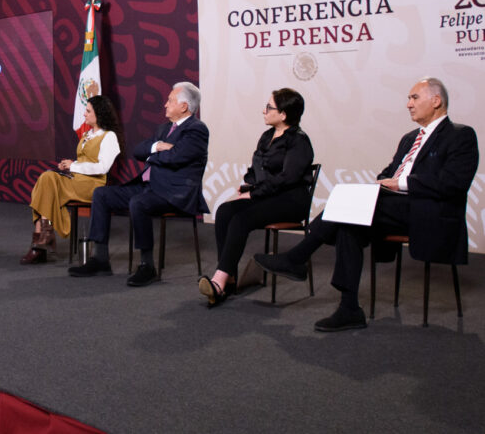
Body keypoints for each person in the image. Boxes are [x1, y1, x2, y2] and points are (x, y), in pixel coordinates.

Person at [255, 77, 479, 331]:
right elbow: (390, 171)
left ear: (436, 101)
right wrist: (386, 181)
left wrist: (402, 184)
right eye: (408, 98)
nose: (408, 104)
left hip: (427, 210)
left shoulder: (460, 136)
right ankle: (349, 308)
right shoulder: (409, 138)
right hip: (394, 206)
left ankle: (297, 258)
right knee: (351, 224)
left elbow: (453, 183)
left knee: (349, 205)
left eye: (414, 98)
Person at [68, 82, 209, 287]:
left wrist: (155, 155)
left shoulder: (197, 129)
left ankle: (147, 265)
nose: (165, 105)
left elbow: (177, 158)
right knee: (102, 194)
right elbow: (139, 151)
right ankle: (100, 259)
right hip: (149, 186)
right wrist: (157, 147)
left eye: (170, 100)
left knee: (139, 203)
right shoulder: (164, 129)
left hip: (173, 192)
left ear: (184, 106)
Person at [198, 88, 313, 307]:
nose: (264, 111)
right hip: (267, 196)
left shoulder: (299, 141)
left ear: (284, 114)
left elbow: (287, 179)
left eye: (269, 107)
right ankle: (230, 277)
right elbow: (256, 170)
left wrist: (254, 193)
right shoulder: (267, 136)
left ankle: (219, 280)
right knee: (224, 211)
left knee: (242, 219)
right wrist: (245, 188)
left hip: (291, 200)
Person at [20, 94, 123, 264]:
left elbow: (102, 167)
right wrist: (69, 166)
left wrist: (73, 165)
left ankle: (40, 241)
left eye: (88, 111)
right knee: (46, 179)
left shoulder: (109, 136)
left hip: (93, 185)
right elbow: (82, 162)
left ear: (99, 114)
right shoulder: (88, 134)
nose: (84, 114)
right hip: (76, 180)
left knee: (47, 180)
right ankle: (43, 237)